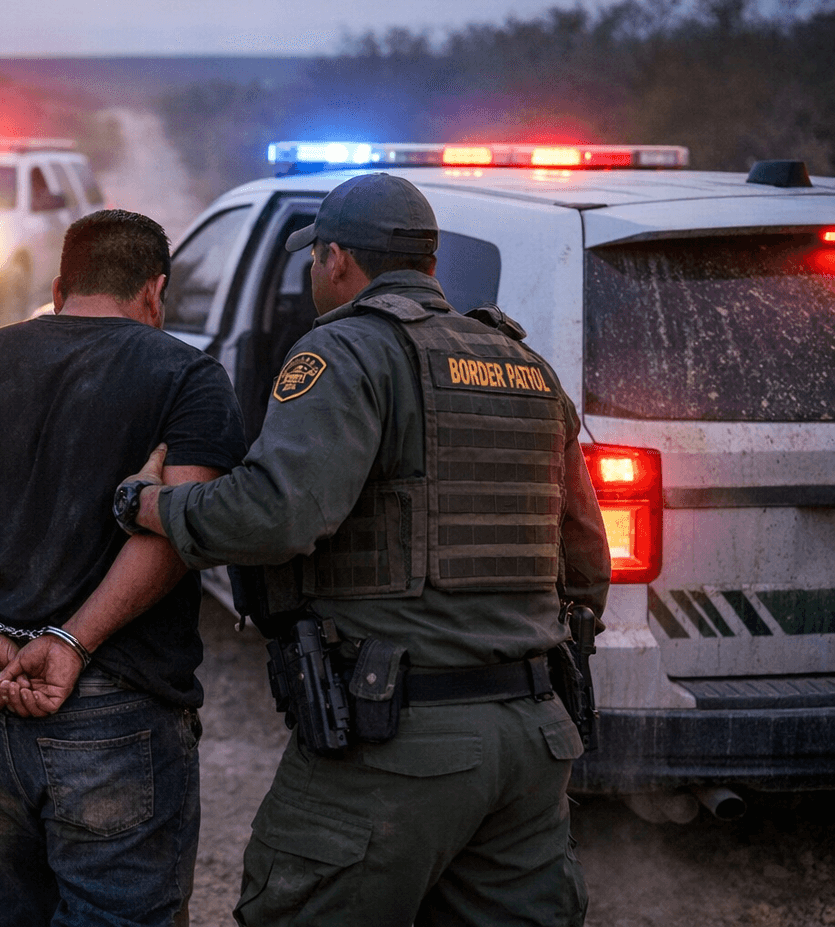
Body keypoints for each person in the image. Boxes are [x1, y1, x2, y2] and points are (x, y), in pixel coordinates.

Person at [117, 173, 611, 927]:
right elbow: (583, 557)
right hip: (533, 736)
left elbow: (274, 517)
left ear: (336, 259)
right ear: (431, 263)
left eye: (314, 258)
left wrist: (149, 504)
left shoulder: (347, 351)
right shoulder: (525, 367)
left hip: (399, 741)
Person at [0, 209, 248, 927]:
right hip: (111, 708)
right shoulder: (187, 377)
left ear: (59, 284)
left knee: (8, 913)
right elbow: (180, 526)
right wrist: (72, 642)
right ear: (154, 291)